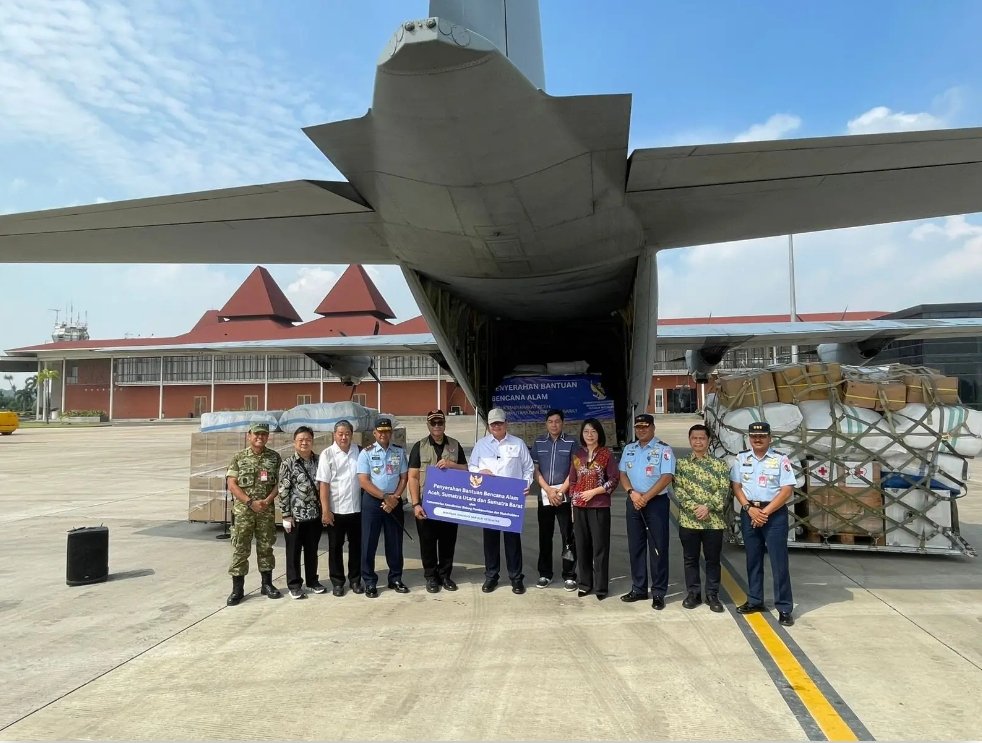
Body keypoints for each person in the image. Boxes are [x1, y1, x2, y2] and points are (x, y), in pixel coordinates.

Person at [731, 421, 796, 626]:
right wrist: (749, 509)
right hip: (750, 512)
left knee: (779, 562)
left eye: (762, 436)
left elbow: (787, 490)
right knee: (753, 559)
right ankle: (755, 600)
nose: (757, 439)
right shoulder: (742, 458)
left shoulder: (780, 459)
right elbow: (736, 486)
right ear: (749, 438)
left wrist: (765, 513)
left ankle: (784, 607)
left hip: (773, 514)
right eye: (753, 436)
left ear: (770, 438)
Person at [468, 407, 534, 595]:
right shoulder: (481, 445)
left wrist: (526, 484)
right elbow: (472, 465)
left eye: (499, 423)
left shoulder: (518, 444)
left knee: (512, 540)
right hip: (488, 499)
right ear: (488, 426)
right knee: (490, 540)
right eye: (493, 424)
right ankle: (491, 576)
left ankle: (516, 578)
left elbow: (528, 468)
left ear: (506, 423)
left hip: (511, 499)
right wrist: (479, 471)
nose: (496, 426)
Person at [618, 413, 675, 610]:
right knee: (636, 546)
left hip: (656, 502)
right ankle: (639, 588)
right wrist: (631, 492)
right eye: (638, 427)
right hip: (634, 500)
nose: (641, 430)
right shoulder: (629, 449)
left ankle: (658, 592)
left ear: (653, 428)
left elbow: (667, 476)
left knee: (658, 548)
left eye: (645, 426)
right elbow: (623, 474)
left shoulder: (664, 449)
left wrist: (646, 497)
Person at [407, 409, 468, 592]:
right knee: (428, 542)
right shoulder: (419, 446)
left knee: (448, 542)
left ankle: (445, 575)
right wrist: (415, 504)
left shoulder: (455, 445)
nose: (437, 426)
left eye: (440, 422)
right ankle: (431, 576)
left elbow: (466, 470)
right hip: (426, 504)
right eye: (433, 423)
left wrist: (451, 465)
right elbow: (413, 477)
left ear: (444, 424)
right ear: (428, 425)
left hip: (450, 503)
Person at [225, 422, 283, 605]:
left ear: (268, 437)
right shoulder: (239, 457)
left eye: (264, 434)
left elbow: (280, 482)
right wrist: (250, 502)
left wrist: (267, 500)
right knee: (241, 549)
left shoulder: (274, 457)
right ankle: (237, 589)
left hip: (265, 511)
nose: (260, 437)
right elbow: (232, 484)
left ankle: (267, 584)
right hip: (244, 512)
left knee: (266, 547)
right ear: (249, 435)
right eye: (256, 434)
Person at [674, 423, 730, 612]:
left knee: (713, 560)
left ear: (708, 440)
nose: (698, 441)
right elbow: (678, 489)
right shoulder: (681, 464)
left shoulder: (720, 464)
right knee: (690, 559)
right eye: (694, 438)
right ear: (690, 440)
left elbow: (724, 489)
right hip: (689, 521)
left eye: (702, 438)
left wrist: (708, 507)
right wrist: (695, 508)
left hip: (713, 522)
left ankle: (712, 595)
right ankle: (693, 594)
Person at [357, 417, 409, 598]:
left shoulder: (399, 452)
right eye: (380, 431)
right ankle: (369, 581)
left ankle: (395, 578)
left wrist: (394, 498)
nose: (384, 434)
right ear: (374, 433)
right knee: (368, 543)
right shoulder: (366, 453)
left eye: (387, 431)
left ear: (391, 433)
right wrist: (385, 497)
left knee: (395, 542)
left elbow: (404, 477)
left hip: (394, 500)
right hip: (373, 501)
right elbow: (363, 481)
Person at [567, 418, 619, 600]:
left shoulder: (606, 454)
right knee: (582, 547)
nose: (590, 435)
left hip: (599, 506)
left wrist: (594, 492)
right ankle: (585, 584)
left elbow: (614, 479)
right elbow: (572, 481)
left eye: (593, 431)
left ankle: (601, 587)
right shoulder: (577, 455)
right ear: (582, 434)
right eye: (586, 431)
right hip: (579, 507)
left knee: (600, 547)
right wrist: (573, 505)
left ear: (599, 434)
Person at [277, 425, 327, 599]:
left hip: (314, 515)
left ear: (312, 441)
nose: (304, 443)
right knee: (293, 553)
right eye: (301, 440)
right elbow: (283, 491)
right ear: (294, 442)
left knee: (312, 551)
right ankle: (294, 585)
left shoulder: (320, 461)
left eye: (308, 439)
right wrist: (286, 515)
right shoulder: (288, 464)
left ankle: (312, 581)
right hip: (295, 517)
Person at [531, 409, 577, 591]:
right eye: (550, 421)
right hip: (545, 496)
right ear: (546, 424)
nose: (554, 424)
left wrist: (561, 491)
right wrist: (549, 490)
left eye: (557, 421)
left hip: (565, 497)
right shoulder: (538, 442)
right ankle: (545, 573)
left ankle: (569, 575)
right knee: (545, 536)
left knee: (568, 537)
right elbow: (535, 470)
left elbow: (575, 470)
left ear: (563, 423)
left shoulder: (572, 442)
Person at [317, 419, 364, 596]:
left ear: (352, 435)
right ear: (334, 435)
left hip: (356, 509)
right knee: (335, 547)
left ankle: (355, 579)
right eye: (340, 434)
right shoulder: (327, 454)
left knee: (356, 546)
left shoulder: (360, 451)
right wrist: (325, 510)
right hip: (335, 509)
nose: (344, 437)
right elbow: (324, 484)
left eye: (347, 434)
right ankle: (337, 582)